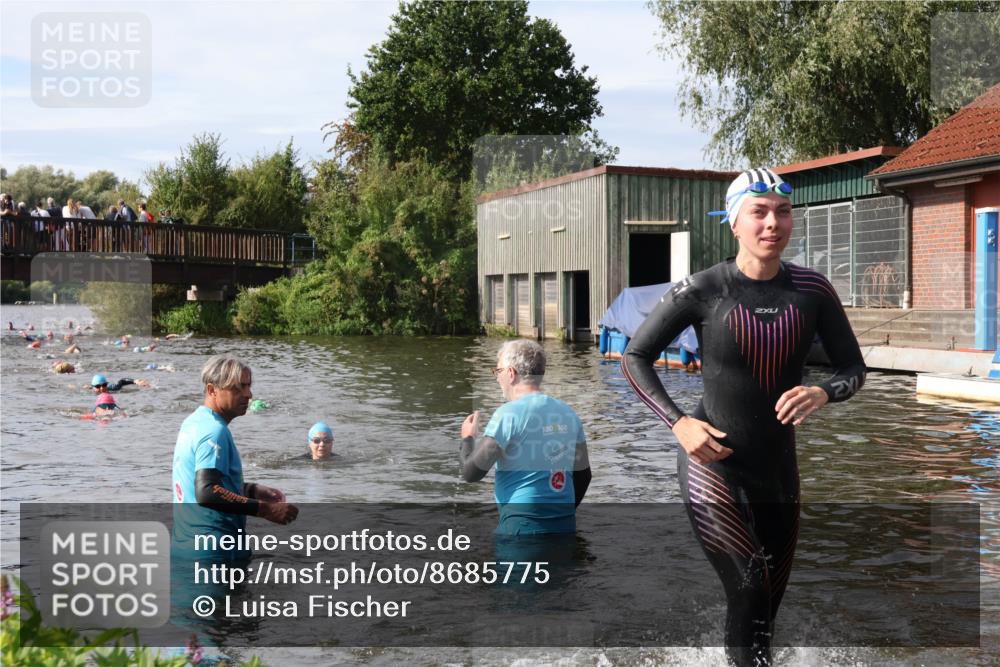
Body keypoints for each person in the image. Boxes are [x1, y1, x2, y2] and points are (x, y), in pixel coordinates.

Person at [621, 168, 866, 666]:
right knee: (751, 582)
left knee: (765, 604)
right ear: (734, 223)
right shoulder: (703, 289)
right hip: (713, 465)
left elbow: (853, 368)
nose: (772, 223)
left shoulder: (813, 291)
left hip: (778, 471)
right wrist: (678, 423)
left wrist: (823, 392)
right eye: (759, 212)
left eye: (782, 212)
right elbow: (634, 357)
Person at [171, 356, 298, 562]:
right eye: (238, 388)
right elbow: (207, 492)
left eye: (248, 386)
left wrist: (249, 489)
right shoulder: (214, 432)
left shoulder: (193, 422)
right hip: (212, 552)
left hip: (187, 546)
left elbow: (201, 484)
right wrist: (265, 509)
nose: (248, 394)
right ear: (212, 390)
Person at [459, 339, 591, 535]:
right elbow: (584, 476)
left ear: (511, 373)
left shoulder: (508, 415)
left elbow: (471, 473)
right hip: (565, 527)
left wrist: (468, 438)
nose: (497, 378)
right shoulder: (569, 414)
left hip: (521, 529)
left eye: (498, 371)